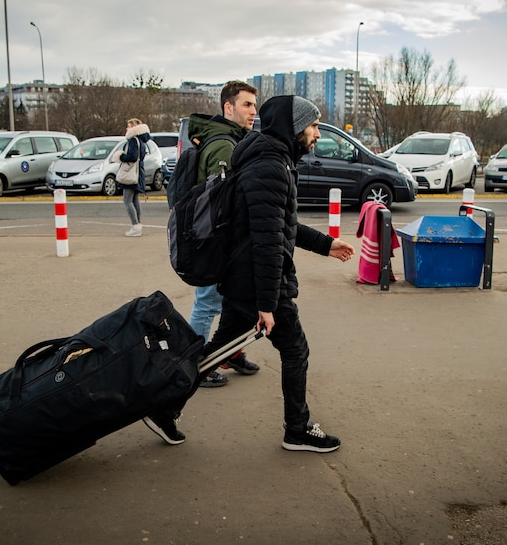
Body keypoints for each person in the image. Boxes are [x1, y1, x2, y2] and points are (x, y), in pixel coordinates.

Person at [143, 96, 355, 453]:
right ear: (293, 127)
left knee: (214, 352)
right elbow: (268, 241)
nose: (317, 134)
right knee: (295, 350)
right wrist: (268, 304)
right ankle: (298, 429)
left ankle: (164, 409)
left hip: (244, 282)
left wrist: (326, 244)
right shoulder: (270, 165)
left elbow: (281, 225)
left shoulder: (272, 159)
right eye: (313, 125)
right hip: (255, 283)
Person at [186, 81, 259, 387]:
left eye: (254, 105)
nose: (253, 111)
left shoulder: (231, 139)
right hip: (215, 239)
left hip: (220, 237)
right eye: (246, 105)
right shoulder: (222, 144)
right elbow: (222, 198)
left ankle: (230, 351)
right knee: (208, 302)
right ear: (228, 107)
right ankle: (195, 365)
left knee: (233, 300)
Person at [118, 118, 150, 237]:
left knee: (127, 200)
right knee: (135, 200)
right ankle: (138, 224)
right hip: (138, 172)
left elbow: (132, 156)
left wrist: (121, 157)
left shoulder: (133, 140)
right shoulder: (142, 141)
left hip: (131, 173)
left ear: (134, 128)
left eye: (129, 126)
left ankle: (135, 225)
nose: (127, 128)